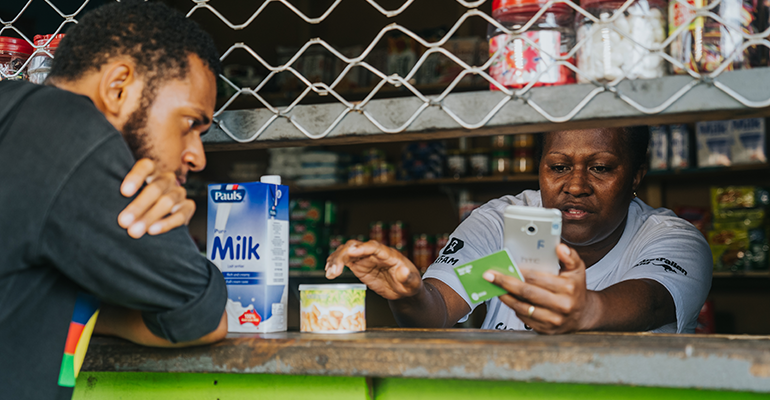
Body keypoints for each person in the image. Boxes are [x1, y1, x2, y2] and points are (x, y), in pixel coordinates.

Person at [0, 2, 229, 399]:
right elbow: (203, 315)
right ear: (118, 86)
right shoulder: (74, 136)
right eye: (191, 124)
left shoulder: (13, 109)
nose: (197, 156)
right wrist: (170, 218)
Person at [326, 129, 713, 334]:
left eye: (601, 167)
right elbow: (440, 309)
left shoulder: (670, 238)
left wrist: (586, 310)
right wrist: (410, 295)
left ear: (635, 177)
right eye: (559, 167)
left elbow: (652, 302)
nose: (576, 185)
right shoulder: (505, 226)